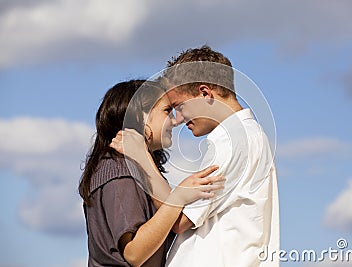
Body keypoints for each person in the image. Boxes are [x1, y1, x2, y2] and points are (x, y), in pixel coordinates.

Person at [114, 46, 280, 266]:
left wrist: (141, 159)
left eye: (180, 106)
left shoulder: (234, 141)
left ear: (204, 93)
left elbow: (180, 220)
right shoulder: (245, 137)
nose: (179, 118)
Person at [78, 79, 224, 267]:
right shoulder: (119, 170)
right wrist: (178, 198)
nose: (174, 120)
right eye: (166, 111)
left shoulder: (132, 169)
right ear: (140, 116)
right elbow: (134, 253)